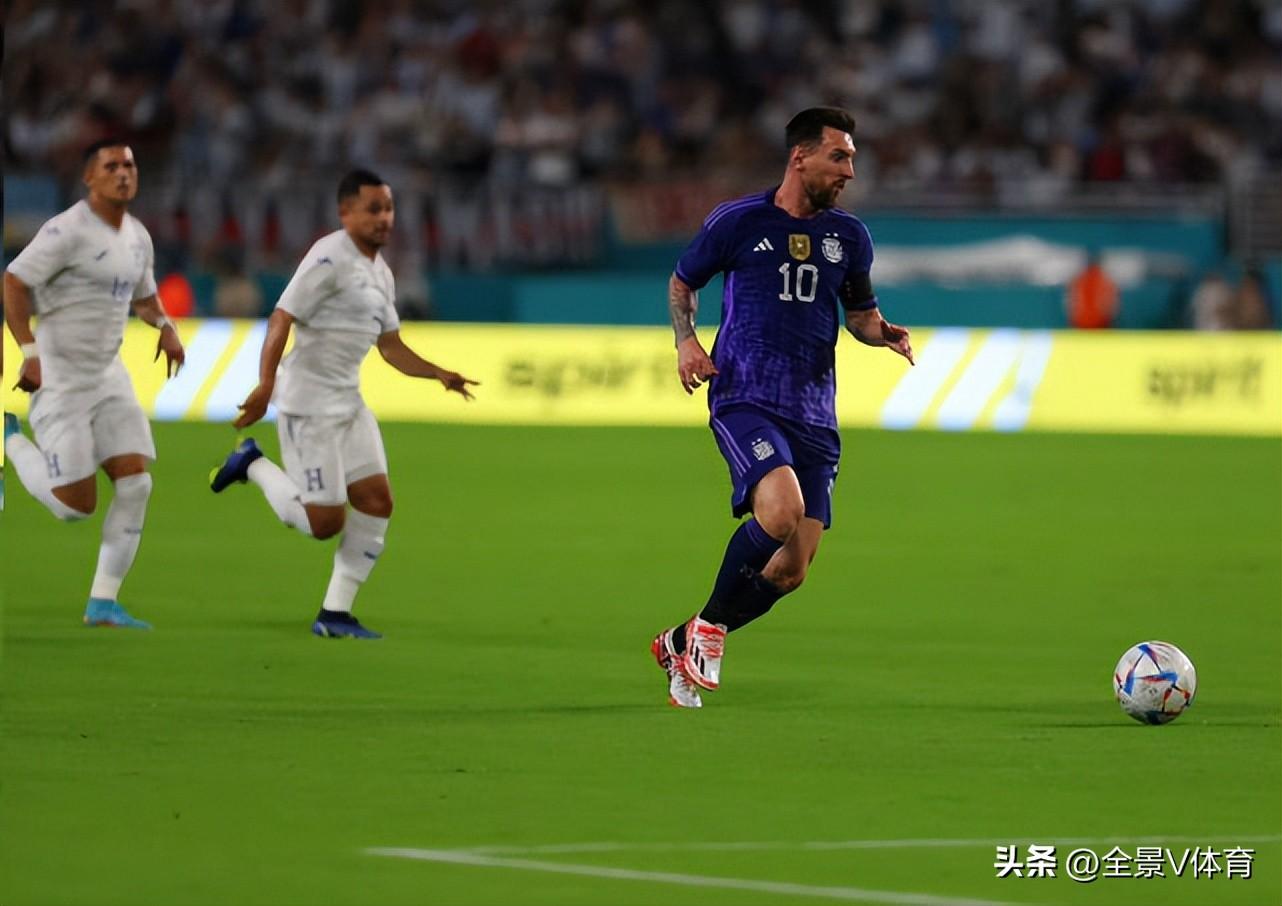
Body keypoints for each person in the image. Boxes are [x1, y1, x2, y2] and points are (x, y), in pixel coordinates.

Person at [650, 107, 914, 708]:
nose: (849, 171)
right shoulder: (739, 221)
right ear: (800, 156)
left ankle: (682, 639)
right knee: (781, 510)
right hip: (746, 395)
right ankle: (709, 633)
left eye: (851, 159)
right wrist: (687, 342)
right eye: (839, 157)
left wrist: (882, 333)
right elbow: (683, 282)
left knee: (791, 570)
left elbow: (860, 316)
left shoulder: (850, 237)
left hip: (815, 413)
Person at [209, 169, 478, 639]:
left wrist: (437, 373)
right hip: (308, 404)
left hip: (348, 403)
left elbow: (390, 346)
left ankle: (335, 614)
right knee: (323, 523)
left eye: (388, 208)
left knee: (377, 501)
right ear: (346, 212)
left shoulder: (381, 273)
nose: (384, 217)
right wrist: (266, 384)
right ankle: (251, 464)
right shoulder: (329, 257)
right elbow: (282, 316)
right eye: (373, 209)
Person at [3, 139, 186, 629]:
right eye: (111, 166)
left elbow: (143, 297)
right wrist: (29, 353)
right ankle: (12, 443)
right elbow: (14, 282)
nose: (123, 173)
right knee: (75, 508)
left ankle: (103, 602)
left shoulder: (138, 237)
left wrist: (165, 325)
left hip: (109, 375)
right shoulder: (66, 231)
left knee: (136, 481)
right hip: (60, 375)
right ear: (90, 177)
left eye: (129, 165)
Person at [1065, 251, 1119, 329]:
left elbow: (1071, 302)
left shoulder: (1080, 279)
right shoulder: (1102, 279)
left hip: (1091, 325)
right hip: (1090, 325)